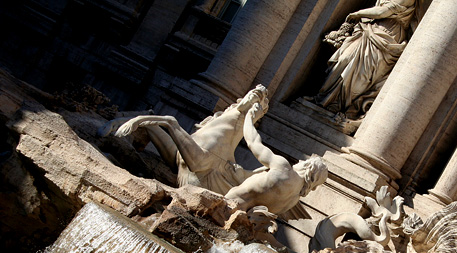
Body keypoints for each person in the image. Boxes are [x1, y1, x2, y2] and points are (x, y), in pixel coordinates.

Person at [112, 85, 269, 195]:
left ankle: (136, 120)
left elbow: (195, 163)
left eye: (257, 99)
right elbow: (176, 157)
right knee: (151, 125)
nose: (253, 98)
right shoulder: (221, 120)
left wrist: (253, 114)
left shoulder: (240, 126)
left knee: (169, 122)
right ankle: (119, 119)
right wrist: (140, 120)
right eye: (253, 94)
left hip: (198, 180)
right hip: (184, 163)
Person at [315, 0, 417, 120]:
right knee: (343, 59)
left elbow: (384, 11)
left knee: (362, 75)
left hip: (386, 36)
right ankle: (323, 98)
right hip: (369, 28)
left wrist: (358, 14)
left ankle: (337, 105)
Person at [225, 103, 328, 216]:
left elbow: (253, 142)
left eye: (305, 161)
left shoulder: (283, 168)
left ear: (308, 168)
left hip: (226, 205)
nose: (300, 161)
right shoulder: (292, 201)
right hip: (240, 221)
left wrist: (250, 117)